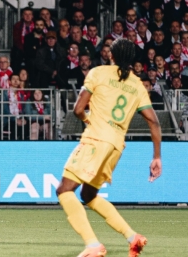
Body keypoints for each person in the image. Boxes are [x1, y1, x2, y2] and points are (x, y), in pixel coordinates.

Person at [55, 39, 161, 257]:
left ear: (110, 55)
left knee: (64, 189)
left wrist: (87, 120)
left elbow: (77, 109)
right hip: (116, 146)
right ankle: (133, 237)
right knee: (89, 194)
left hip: (95, 139)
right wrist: (157, 157)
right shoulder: (137, 84)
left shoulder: (98, 73)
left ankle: (92, 245)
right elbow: (154, 122)